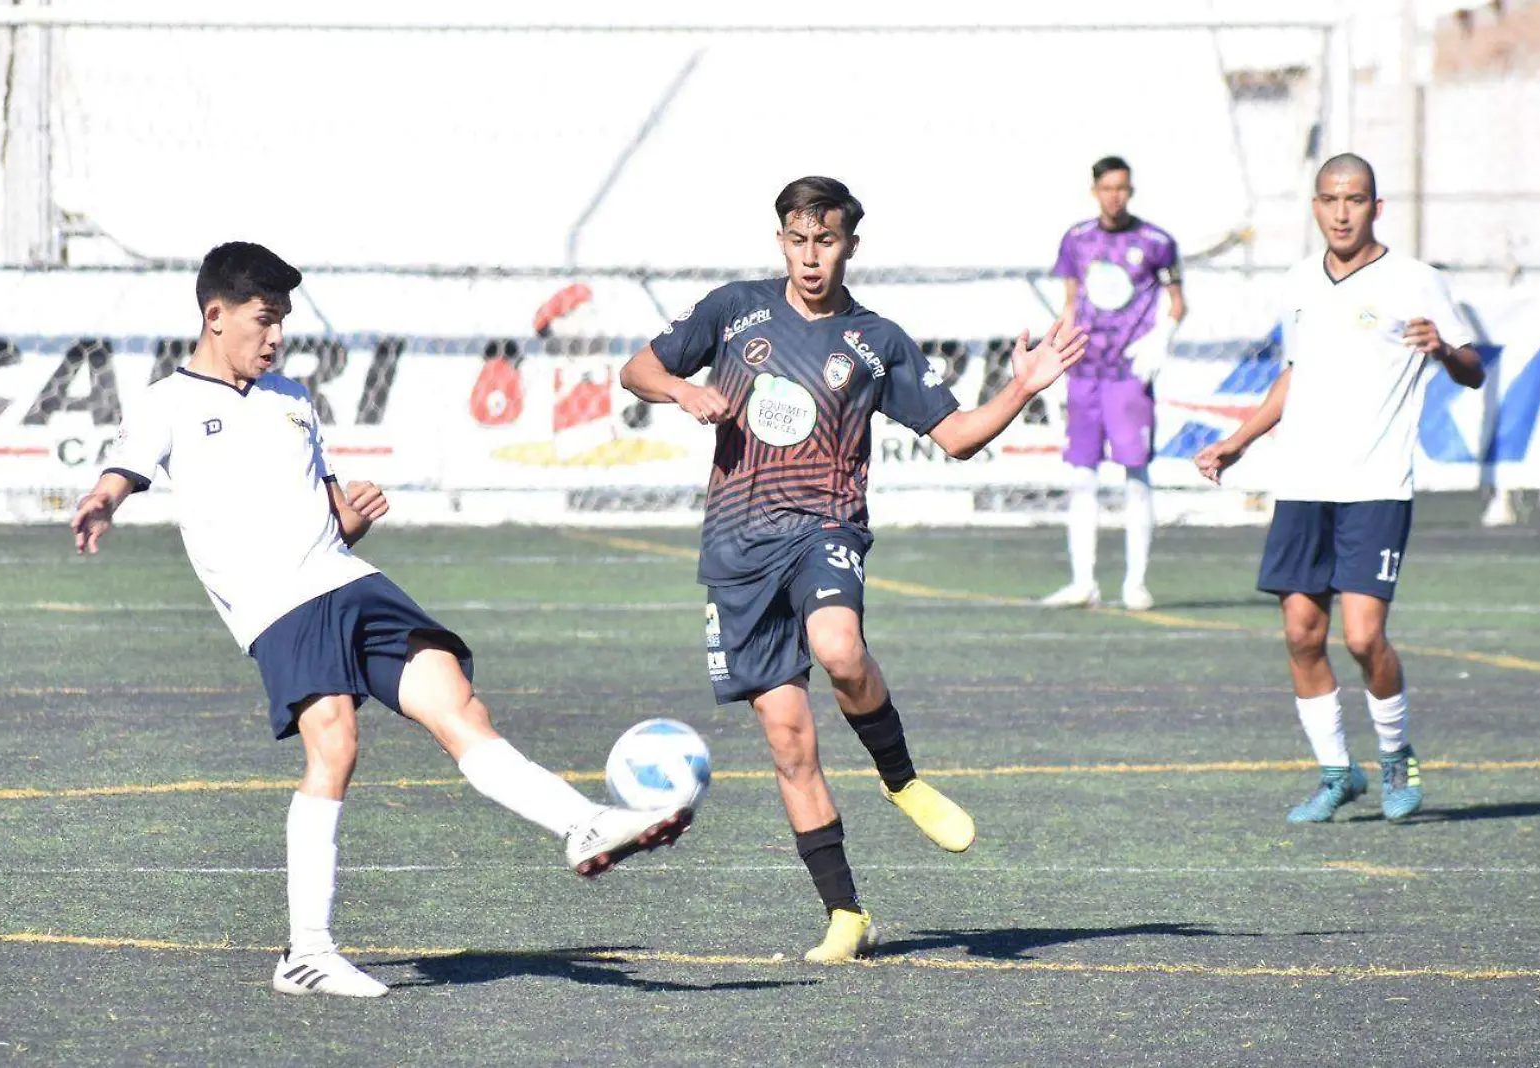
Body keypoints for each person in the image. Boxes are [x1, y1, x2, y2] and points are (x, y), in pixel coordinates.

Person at [71, 242, 692, 998]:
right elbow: (119, 477)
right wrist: (99, 503)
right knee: (334, 741)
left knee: (457, 703)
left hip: (349, 582)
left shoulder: (294, 398)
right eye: (264, 321)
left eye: (282, 323)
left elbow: (323, 515)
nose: (275, 338)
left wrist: (347, 522)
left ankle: (581, 824)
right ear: (215, 316)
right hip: (279, 606)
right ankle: (306, 951)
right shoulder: (168, 404)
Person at [619, 177, 1087, 962]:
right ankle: (846, 913)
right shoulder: (733, 310)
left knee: (838, 647)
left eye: (826, 241)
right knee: (788, 738)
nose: (811, 257)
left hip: (823, 528)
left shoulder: (877, 341)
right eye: (798, 240)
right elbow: (635, 370)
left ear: (850, 246)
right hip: (737, 545)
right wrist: (682, 389)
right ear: (781, 242)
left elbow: (961, 435)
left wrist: (1023, 386)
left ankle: (901, 779)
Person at [1195, 154, 1485, 823]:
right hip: (1302, 485)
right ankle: (1336, 772)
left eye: (1356, 199)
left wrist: (1443, 350)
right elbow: (1296, 374)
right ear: (1316, 206)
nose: (1342, 211)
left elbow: (1472, 370)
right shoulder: (1300, 283)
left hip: (1377, 486)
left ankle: (1394, 756)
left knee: (1361, 638)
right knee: (1301, 633)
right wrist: (1238, 441)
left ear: (1376, 207)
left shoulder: (1417, 281)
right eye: (1330, 199)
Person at [1040, 156, 1185, 612]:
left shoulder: (1156, 241)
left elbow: (1178, 302)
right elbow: (1069, 302)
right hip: (1086, 369)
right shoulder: (1078, 240)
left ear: (1131, 189)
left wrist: (1163, 336)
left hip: (1128, 373)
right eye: (1107, 188)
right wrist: (1056, 356)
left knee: (1135, 474)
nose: (1115, 196)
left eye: (1122, 187)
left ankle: (1135, 582)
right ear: (1094, 190)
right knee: (1082, 475)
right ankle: (1083, 581)